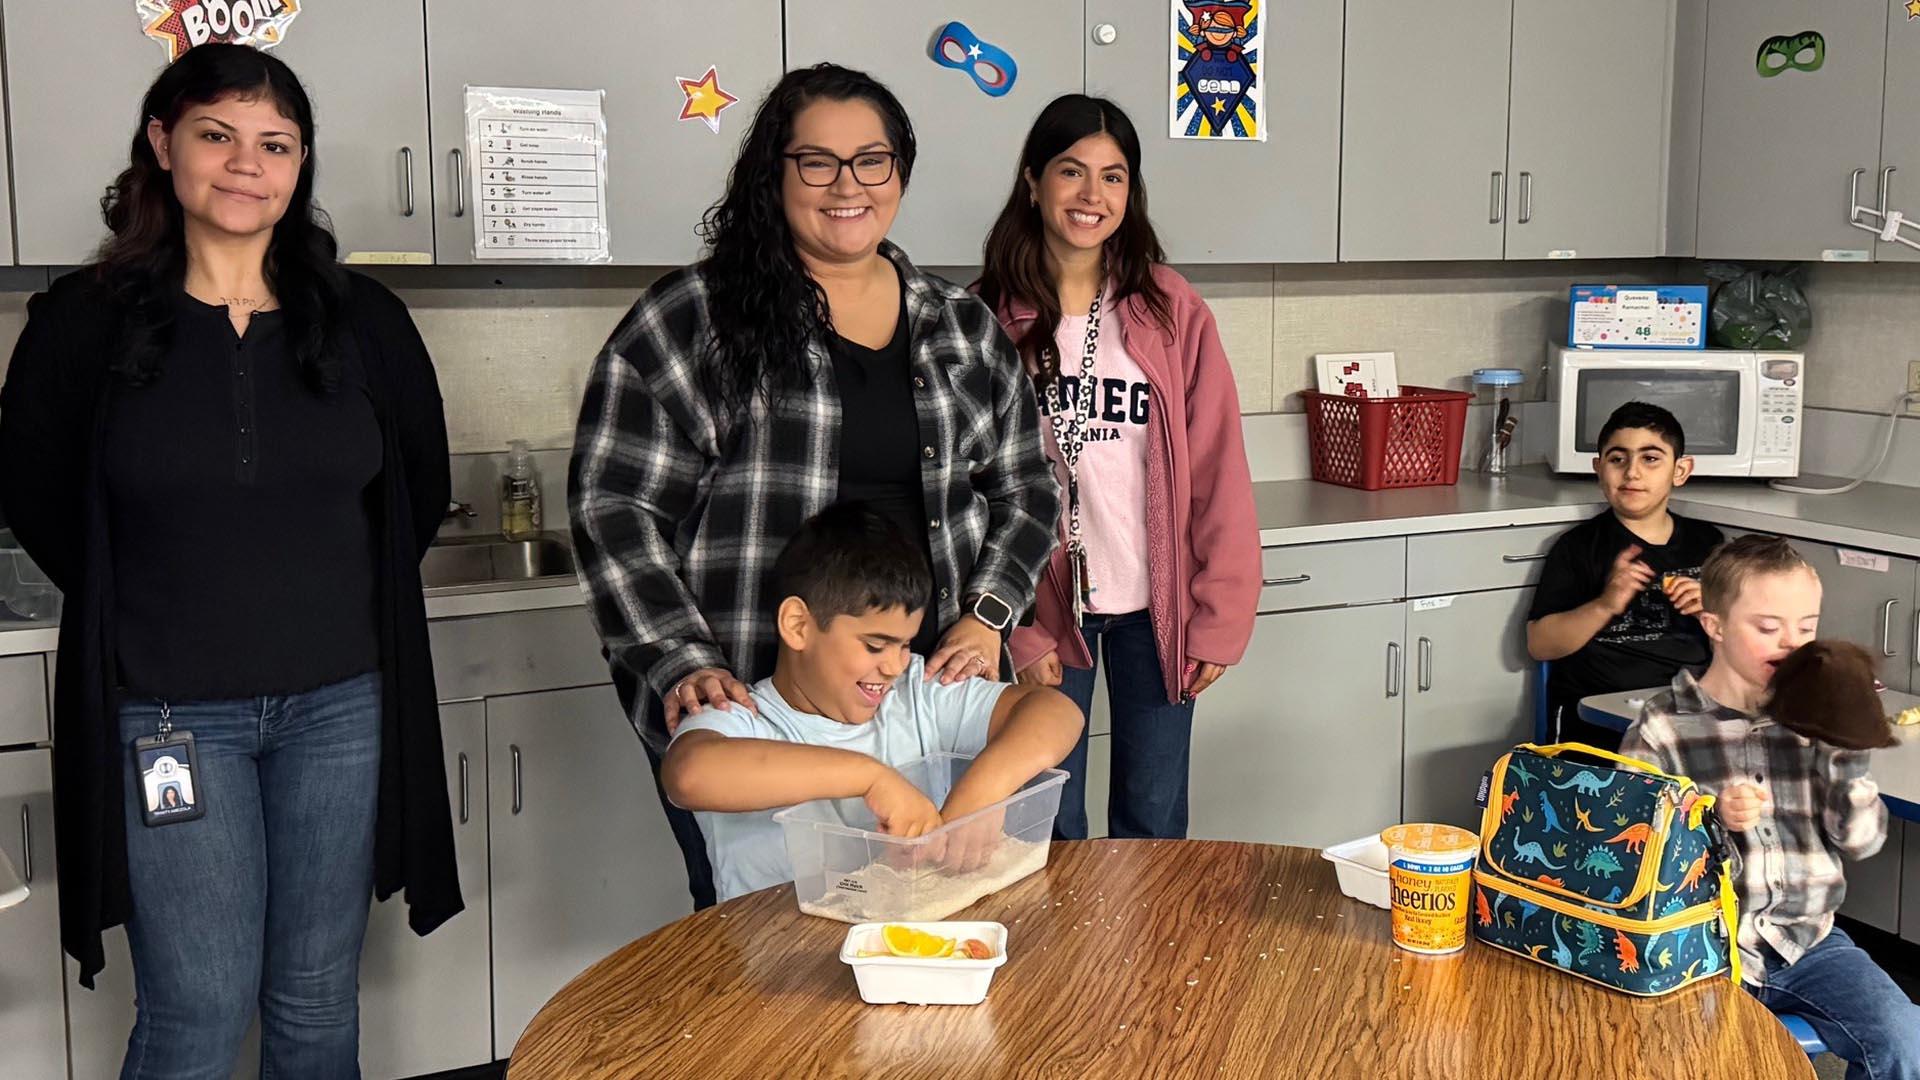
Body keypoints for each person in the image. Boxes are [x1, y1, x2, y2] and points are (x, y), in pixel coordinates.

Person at [0, 44, 459, 1078]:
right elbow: (33, 492)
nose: (245, 164)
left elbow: (414, 493)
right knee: (197, 1008)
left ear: (300, 166)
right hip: (170, 715)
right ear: (163, 145)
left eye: (275, 143)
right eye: (217, 134)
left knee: (313, 1000)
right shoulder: (84, 324)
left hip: (341, 707)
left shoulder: (364, 322)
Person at [570, 63, 1059, 908]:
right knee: (767, 924)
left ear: (900, 172)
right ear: (775, 173)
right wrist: (679, 657)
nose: (848, 186)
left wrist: (986, 619)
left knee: (933, 907)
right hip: (750, 691)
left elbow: (1026, 487)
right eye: (816, 162)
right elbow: (614, 507)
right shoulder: (693, 318)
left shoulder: (960, 327)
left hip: (915, 689)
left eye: (872, 160)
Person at [974, 94, 1259, 841]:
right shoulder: (979, 318)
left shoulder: (1171, 309)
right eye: (1072, 172)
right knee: (1043, 823)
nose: (1091, 196)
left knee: (1154, 821)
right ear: (1032, 181)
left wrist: (1220, 618)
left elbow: (1219, 467)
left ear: (1131, 193)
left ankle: (1153, 963)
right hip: (1041, 613)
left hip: (1155, 609)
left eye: (1114, 177)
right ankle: (1059, 963)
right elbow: (967, 492)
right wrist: (1014, 631)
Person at [661, 504, 1082, 900]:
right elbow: (689, 775)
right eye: (875, 645)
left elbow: (1055, 712)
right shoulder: (743, 719)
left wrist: (986, 791)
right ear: (798, 625)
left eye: (904, 645)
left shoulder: (918, 693)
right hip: (779, 966)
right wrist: (871, 778)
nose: (894, 666)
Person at [1622, 536, 1920, 1079]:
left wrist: (1846, 756)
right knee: (1694, 1060)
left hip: (1808, 939)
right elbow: (1631, 847)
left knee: (1905, 1039)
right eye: (1768, 627)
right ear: (1714, 626)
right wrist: (1708, 815)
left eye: (1806, 626)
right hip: (1701, 953)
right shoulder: (1662, 726)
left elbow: (1861, 841)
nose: (1792, 643)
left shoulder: (1815, 712)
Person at [1526, 401, 1724, 750]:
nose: (1632, 472)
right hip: (1596, 718)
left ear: (1680, 470)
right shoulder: (1579, 547)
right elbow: (1540, 644)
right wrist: (1605, 604)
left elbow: (1742, 642)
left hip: (1690, 711)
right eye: (1618, 459)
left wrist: (1711, 612)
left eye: (1650, 459)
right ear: (1598, 468)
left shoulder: (1709, 544)